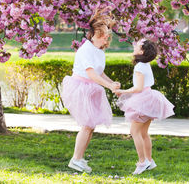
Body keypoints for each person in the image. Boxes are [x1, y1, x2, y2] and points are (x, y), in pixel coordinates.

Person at [61, 10, 120, 173]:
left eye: (107, 35)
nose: (106, 38)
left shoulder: (99, 51)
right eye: (103, 35)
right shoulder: (86, 49)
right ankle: (76, 159)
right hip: (81, 88)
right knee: (87, 124)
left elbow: (100, 72)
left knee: (91, 125)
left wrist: (112, 84)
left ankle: (79, 157)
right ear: (95, 34)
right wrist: (108, 86)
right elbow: (91, 74)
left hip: (91, 88)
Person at [114, 39, 175, 175]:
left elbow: (138, 88)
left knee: (135, 132)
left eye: (137, 46)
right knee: (143, 133)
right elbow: (141, 86)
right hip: (149, 98)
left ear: (141, 51)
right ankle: (149, 160)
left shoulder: (140, 66)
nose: (134, 46)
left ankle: (143, 162)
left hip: (143, 100)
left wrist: (123, 91)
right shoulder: (145, 64)